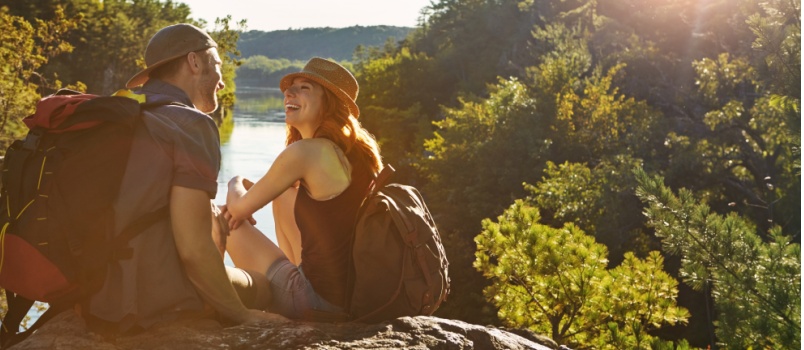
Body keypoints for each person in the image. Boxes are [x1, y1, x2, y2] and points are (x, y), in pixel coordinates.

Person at [85, 23, 277, 335]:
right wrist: (244, 316)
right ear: (194, 62)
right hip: (148, 298)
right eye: (217, 66)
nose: (222, 83)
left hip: (93, 290)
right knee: (265, 286)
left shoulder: (127, 113)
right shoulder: (192, 124)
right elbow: (193, 249)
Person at [221, 57, 383, 320]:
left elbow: (238, 209)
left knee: (221, 216)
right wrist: (256, 191)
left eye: (304, 88)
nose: (289, 92)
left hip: (317, 303)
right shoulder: (357, 151)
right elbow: (279, 190)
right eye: (290, 87)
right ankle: (292, 275)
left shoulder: (306, 152)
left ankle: (216, 304)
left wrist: (234, 181)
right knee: (284, 195)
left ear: (329, 103)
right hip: (352, 297)